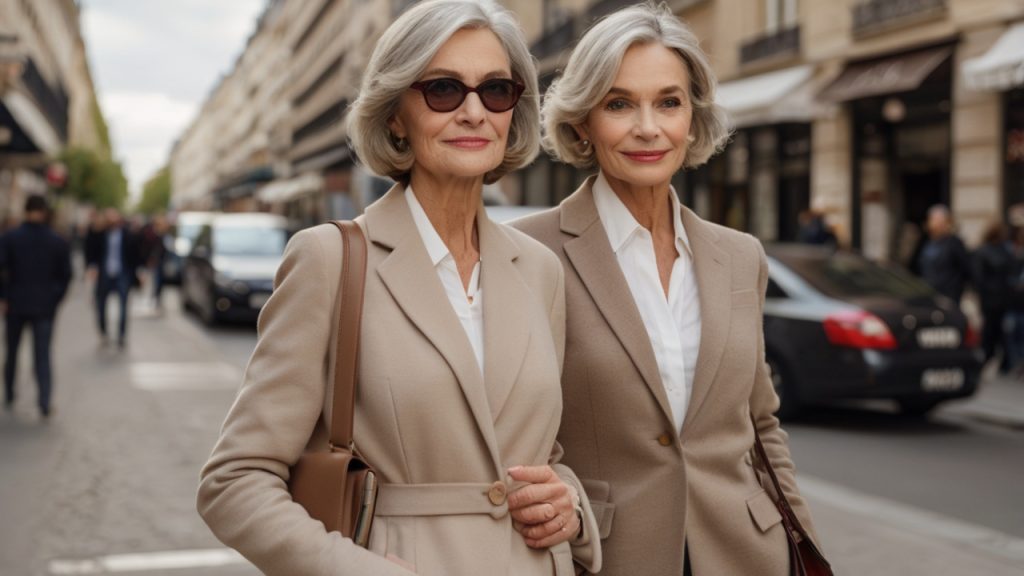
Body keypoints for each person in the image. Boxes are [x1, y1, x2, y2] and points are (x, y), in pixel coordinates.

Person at [196, 2, 601, 575]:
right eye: (442, 89)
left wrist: (569, 505)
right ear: (394, 115)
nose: (472, 111)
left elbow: (541, 451)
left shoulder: (539, 268)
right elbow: (233, 481)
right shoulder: (329, 259)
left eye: (495, 90)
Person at [512, 4, 819, 575]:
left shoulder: (739, 254)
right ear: (583, 121)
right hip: (604, 555)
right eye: (619, 103)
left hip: (746, 553)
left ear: (692, 117)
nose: (648, 128)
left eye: (669, 102)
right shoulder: (527, 253)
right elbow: (518, 435)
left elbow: (761, 426)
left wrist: (806, 543)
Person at [0, 195, 72, 417]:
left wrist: (4, 297)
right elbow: (66, 276)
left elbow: (1, 271)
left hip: (15, 304)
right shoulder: (57, 240)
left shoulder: (10, 237)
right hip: (44, 306)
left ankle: (10, 393)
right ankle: (44, 400)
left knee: (12, 352)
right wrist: (55, 299)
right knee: (42, 355)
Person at [86, 208, 140, 348]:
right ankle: (104, 333)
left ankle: (121, 335)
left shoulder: (128, 235)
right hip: (104, 274)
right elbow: (90, 248)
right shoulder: (100, 234)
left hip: (122, 274)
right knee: (101, 305)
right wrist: (92, 266)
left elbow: (135, 254)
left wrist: (139, 272)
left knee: (123, 306)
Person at [971, 221, 1013, 369]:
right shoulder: (1004, 251)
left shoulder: (985, 251)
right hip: (999, 297)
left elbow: (978, 277)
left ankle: (991, 356)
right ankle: (1000, 358)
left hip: (992, 298)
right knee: (997, 329)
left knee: (992, 329)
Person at [916, 204, 971, 303]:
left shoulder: (954, 242)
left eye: (935, 220)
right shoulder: (927, 242)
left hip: (948, 295)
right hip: (930, 293)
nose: (931, 223)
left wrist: (957, 289)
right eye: (931, 219)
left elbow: (966, 268)